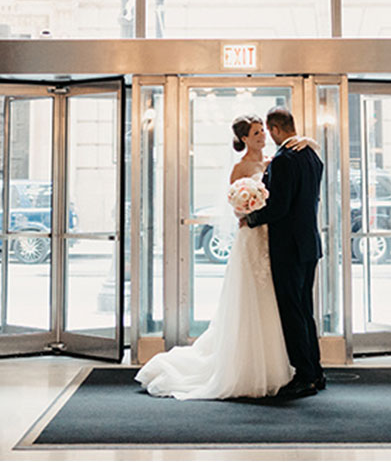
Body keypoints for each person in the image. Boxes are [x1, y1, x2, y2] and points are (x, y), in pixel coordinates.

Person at [134, 115, 300, 399]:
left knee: (272, 299)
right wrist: (250, 207)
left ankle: (274, 363)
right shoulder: (240, 168)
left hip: (273, 238)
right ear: (244, 139)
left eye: (263, 131)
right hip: (251, 237)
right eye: (256, 133)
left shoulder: (276, 162)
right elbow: (235, 208)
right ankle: (245, 366)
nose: (262, 136)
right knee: (251, 296)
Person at [240, 106, 327, 399]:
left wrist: (250, 218)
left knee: (292, 312)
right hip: (309, 244)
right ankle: (316, 371)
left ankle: (303, 376)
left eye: (268, 131)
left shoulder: (284, 161)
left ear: (275, 130)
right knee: (305, 310)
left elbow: (278, 207)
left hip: (288, 247)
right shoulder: (312, 155)